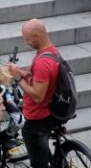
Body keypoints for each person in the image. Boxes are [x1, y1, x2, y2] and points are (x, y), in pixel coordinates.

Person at [15, 19, 64, 167]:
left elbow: (38, 96)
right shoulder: (51, 53)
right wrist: (22, 73)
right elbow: (41, 79)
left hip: (38, 117)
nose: (26, 42)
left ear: (37, 36)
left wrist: (17, 78)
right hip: (50, 112)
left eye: (27, 39)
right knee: (42, 151)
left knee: (38, 162)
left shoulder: (42, 62)